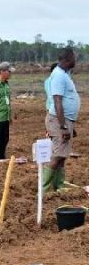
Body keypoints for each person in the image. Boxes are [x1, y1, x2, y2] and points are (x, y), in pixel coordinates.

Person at [43, 47, 80, 192]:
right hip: (57, 121)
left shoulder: (65, 74)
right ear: (67, 59)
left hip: (65, 121)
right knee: (58, 155)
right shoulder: (58, 75)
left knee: (62, 156)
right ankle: (43, 189)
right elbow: (57, 101)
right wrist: (63, 126)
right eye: (74, 58)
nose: (75, 60)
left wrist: (70, 125)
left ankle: (59, 186)